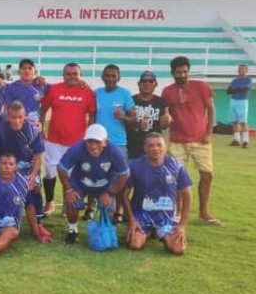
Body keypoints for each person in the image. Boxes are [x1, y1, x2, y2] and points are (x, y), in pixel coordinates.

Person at [161, 55, 221, 226]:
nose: (182, 75)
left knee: (207, 175)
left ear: (188, 71)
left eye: (184, 72)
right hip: (177, 140)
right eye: (178, 72)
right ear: (172, 72)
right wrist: (166, 120)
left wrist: (209, 133)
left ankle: (204, 213)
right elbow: (166, 116)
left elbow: (211, 109)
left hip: (200, 140)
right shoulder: (167, 91)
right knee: (175, 177)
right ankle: (177, 212)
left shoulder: (201, 86)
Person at [0, 101, 51, 243]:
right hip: (6, 167)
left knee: (35, 187)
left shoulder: (32, 130)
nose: (17, 120)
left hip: (27, 169)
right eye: (13, 117)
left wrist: (33, 174)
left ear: (24, 115)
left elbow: (38, 156)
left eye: (20, 117)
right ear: (8, 116)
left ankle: (38, 223)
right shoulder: (0, 129)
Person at [57, 124, 130, 244]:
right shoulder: (77, 149)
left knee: (109, 210)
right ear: (85, 141)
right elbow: (61, 168)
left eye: (97, 142)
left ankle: (103, 229)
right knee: (72, 203)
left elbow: (125, 174)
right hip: (80, 183)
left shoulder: (115, 151)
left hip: (105, 185)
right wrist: (69, 190)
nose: (93, 146)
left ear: (105, 142)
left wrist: (110, 193)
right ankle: (72, 231)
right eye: (90, 142)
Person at [40, 62, 96, 215]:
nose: (72, 76)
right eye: (68, 73)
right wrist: (40, 128)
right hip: (53, 140)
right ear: (63, 75)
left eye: (75, 74)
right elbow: (43, 109)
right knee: (51, 172)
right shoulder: (54, 89)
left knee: (71, 174)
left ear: (80, 75)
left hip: (76, 142)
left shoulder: (88, 92)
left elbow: (92, 115)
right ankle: (50, 202)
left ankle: (67, 204)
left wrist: (88, 136)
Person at [122, 132, 192, 255]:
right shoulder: (134, 166)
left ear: (165, 147)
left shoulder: (177, 166)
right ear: (145, 148)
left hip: (166, 217)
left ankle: (160, 232)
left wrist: (181, 225)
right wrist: (131, 220)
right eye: (151, 146)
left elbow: (187, 196)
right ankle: (149, 231)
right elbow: (124, 196)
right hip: (142, 215)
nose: (155, 148)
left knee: (178, 250)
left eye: (159, 145)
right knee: (135, 244)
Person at [94, 64, 136, 223]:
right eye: (108, 75)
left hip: (118, 143)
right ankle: (96, 209)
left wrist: (123, 117)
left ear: (118, 78)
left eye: (113, 76)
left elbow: (134, 119)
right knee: (98, 176)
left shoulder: (125, 94)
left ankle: (118, 210)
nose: (110, 79)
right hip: (98, 144)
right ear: (102, 77)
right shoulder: (96, 93)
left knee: (121, 179)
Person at [126, 71, 171, 159]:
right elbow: (125, 124)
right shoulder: (131, 100)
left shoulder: (161, 102)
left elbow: (164, 126)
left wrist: (167, 121)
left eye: (151, 81)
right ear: (139, 83)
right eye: (144, 81)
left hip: (154, 148)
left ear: (156, 84)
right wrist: (137, 124)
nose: (147, 84)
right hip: (133, 146)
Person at [2, 58, 48, 131]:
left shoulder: (41, 86)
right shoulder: (11, 87)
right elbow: (6, 110)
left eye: (30, 68)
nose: (27, 71)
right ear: (18, 72)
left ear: (34, 72)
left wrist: (41, 123)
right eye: (23, 68)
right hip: (17, 127)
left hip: (35, 127)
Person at [226, 64, 253, 148]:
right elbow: (229, 91)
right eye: (239, 69)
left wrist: (235, 90)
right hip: (233, 100)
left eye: (242, 69)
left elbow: (245, 90)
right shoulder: (235, 80)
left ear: (246, 71)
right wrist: (238, 90)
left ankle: (245, 141)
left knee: (243, 121)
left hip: (242, 101)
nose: (240, 70)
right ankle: (236, 140)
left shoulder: (248, 80)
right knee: (234, 121)